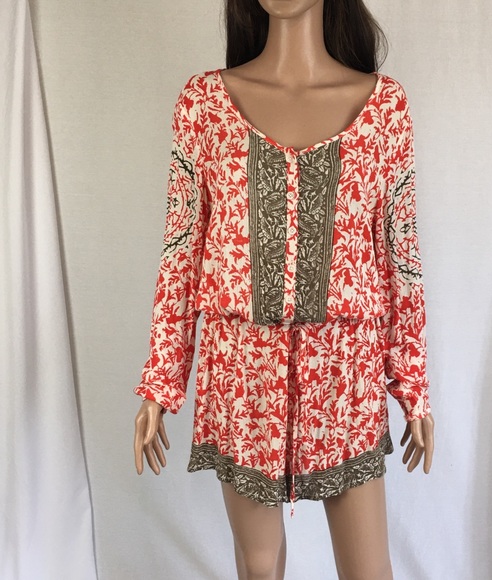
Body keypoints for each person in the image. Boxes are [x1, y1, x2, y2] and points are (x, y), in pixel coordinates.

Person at [133, 1, 435, 578]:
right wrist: (161, 381)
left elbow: (401, 254)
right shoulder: (203, 105)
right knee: (259, 565)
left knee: (369, 569)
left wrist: (412, 385)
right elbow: (181, 251)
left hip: (346, 375)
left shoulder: (384, 108)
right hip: (240, 375)